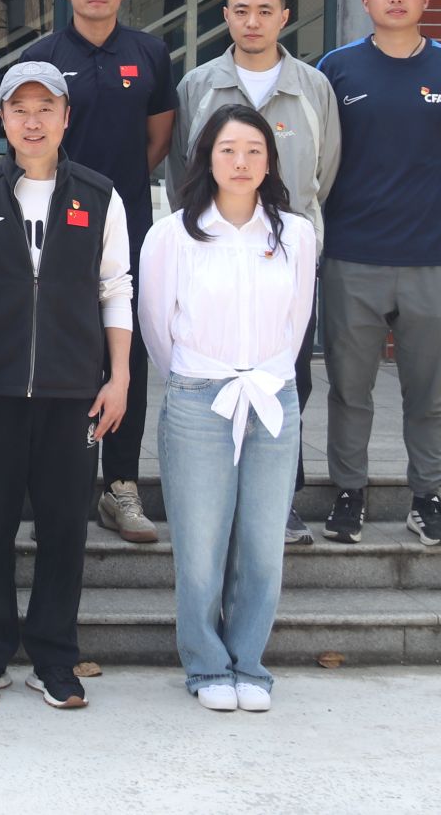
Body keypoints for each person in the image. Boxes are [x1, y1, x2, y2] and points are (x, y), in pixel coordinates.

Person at [0, 61, 131, 710]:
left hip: (72, 391)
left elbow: (116, 289)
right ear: (2, 119)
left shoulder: (100, 195)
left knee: (64, 529)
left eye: (45, 107)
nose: (32, 120)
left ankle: (54, 657)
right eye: (19, 108)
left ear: (66, 117)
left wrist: (120, 377)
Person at [143, 105, 317, 713]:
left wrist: (270, 373)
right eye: (227, 150)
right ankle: (207, 664)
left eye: (253, 151)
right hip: (199, 397)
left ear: (269, 162)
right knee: (201, 545)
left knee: (264, 544)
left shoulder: (294, 234)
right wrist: (193, 380)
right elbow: (157, 326)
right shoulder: (173, 234)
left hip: (272, 397)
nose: (240, 162)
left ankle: (249, 663)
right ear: (206, 159)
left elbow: (297, 321)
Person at [317, 0, 441, 548]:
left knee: (427, 393)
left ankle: (427, 498)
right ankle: (348, 494)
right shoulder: (336, 69)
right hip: (351, 255)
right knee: (349, 389)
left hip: (431, 258)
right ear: (365, 0)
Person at [169, 0, 340, 546]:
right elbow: (183, 172)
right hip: (212, 256)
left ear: (285, 16)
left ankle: (279, 500)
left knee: (288, 376)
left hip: (285, 260)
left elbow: (324, 174)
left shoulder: (313, 87)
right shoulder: (198, 86)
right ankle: (214, 499)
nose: (253, 22)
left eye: (265, 11)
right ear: (225, 16)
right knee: (211, 378)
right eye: (241, 11)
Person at [21, 0, 176, 545]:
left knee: (123, 353)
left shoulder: (150, 52)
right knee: (55, 346)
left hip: (126, 221)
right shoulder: (42, 55)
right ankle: (56, 484)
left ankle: (120, 485)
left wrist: (110, 198)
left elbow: (158, 138)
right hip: (54, 225)